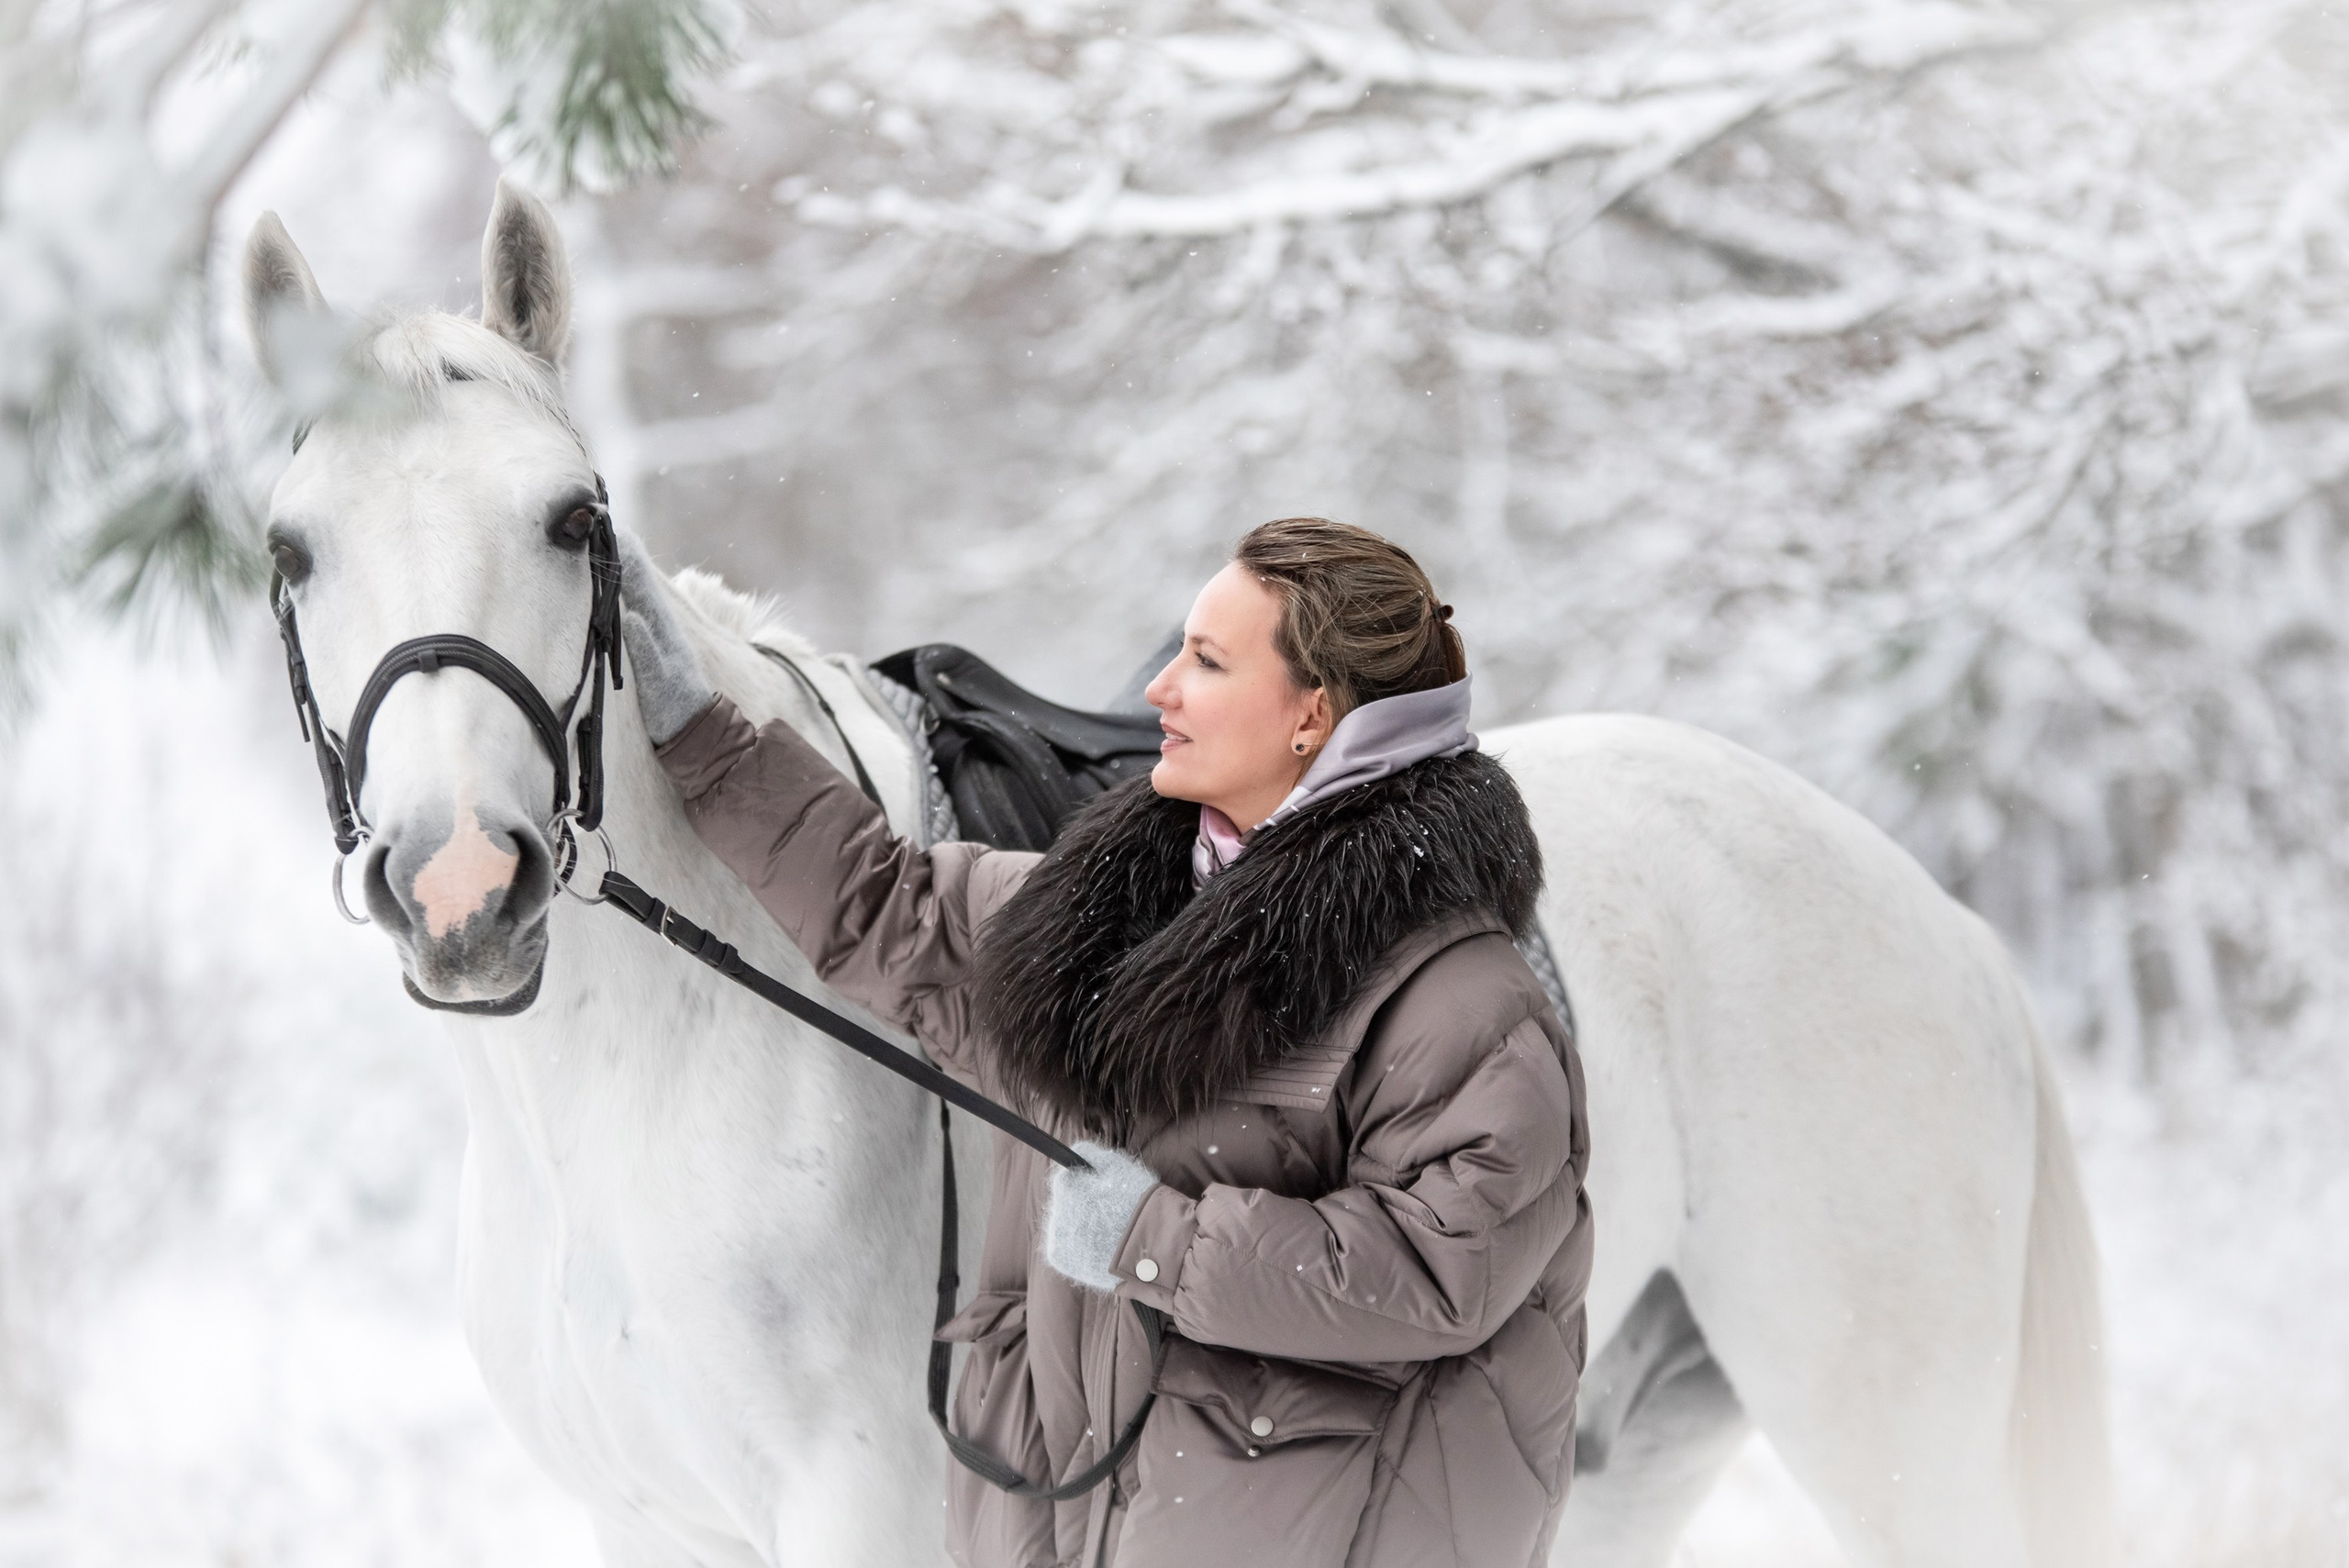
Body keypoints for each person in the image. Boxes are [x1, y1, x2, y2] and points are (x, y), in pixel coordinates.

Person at [620, 517, 1592, 1568]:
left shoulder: (1467, 1007)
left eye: (1207, 661)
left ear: (1313, 712)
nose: (1157, 689)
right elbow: (887, 907)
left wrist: (1150, 1236)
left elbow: (1434, 1271)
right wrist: (700, 739)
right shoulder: (1098, 917)